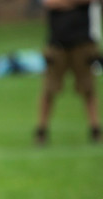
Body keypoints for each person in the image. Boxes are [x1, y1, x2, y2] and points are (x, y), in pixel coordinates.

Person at [34, 0, 101, 145]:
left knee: (88, 88)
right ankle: (41, 130)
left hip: (83, 43)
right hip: (57, 43)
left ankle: (95, 128)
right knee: (49, 89)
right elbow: (48, 3)